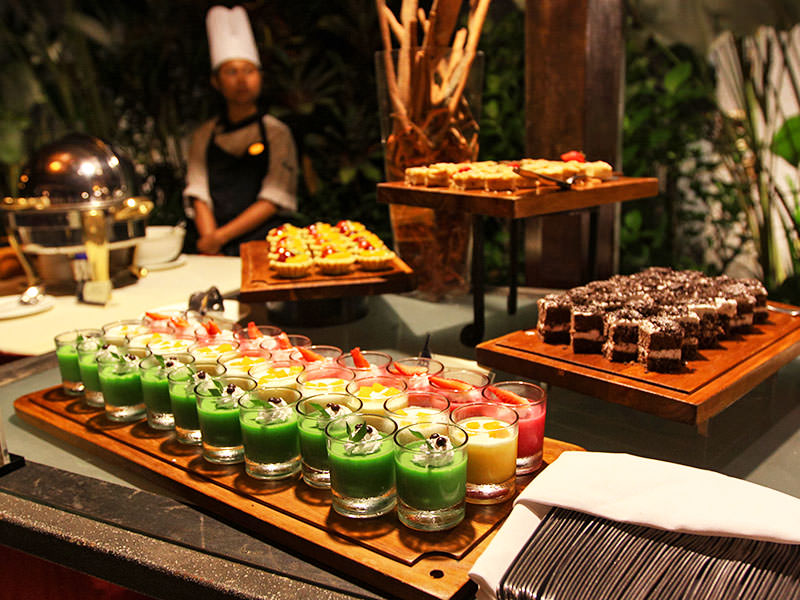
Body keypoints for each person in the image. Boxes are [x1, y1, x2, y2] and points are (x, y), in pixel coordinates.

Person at [184, 5, 298, 256]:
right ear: (216, 81)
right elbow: (198, 192)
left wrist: (219, 237)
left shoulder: (277, 133)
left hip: (267, 245)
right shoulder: (204, 135)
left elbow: (274, 197)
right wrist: (211, 244)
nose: (242, 80)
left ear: (260, 77)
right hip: (215, 248)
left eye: (249, 71)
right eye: (231, 72)